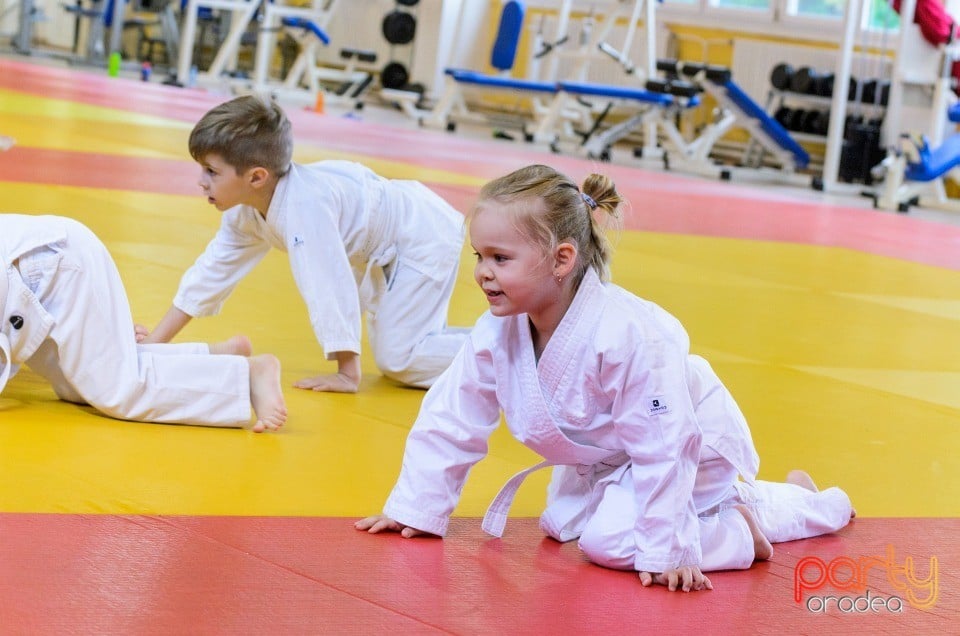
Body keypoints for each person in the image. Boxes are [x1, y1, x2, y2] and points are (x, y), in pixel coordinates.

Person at [356, 165, 854, 592]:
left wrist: (670, 550)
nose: (483, 273)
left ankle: (746, 525)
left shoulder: (631, 333)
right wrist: (416, 509)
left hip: (690, 449)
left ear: (562, 260)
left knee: (609, 542)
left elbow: (665, 442)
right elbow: (451, 417)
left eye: (500, 258)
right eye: (479, 257)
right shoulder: (497, 332)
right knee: (562, 524)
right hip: (610, 457)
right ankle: (767, 502)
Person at [137, 94, 469, 393]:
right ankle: (503, 342)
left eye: (211, 171)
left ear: (256, 177)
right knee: (406, 346)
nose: (200, 181)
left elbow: (327, 282)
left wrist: (347, 372)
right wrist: (155, 343)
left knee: (401, 360)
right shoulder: (246, 214)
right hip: (392, 242)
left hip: (421, 235)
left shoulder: (305, 208)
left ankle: (510, 350)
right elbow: (210, 273)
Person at [1, 213, 287, 432]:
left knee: (118, 390)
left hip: (51, 268)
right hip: (43, 265)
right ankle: (210, 359)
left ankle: (246, 377)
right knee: (76, 386)